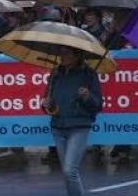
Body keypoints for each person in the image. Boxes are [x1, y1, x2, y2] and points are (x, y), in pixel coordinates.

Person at [41, 47, 102, 196]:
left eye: (66, 53)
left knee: (70, 170)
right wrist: (47, 104)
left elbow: (98, 105)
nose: (62, 56)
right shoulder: (55, 74)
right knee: (67, 172)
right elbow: (48, 104)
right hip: (58, 127)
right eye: (60, 53)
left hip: (78, 127)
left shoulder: (88, 74)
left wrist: (87, 96)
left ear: (77, 56)